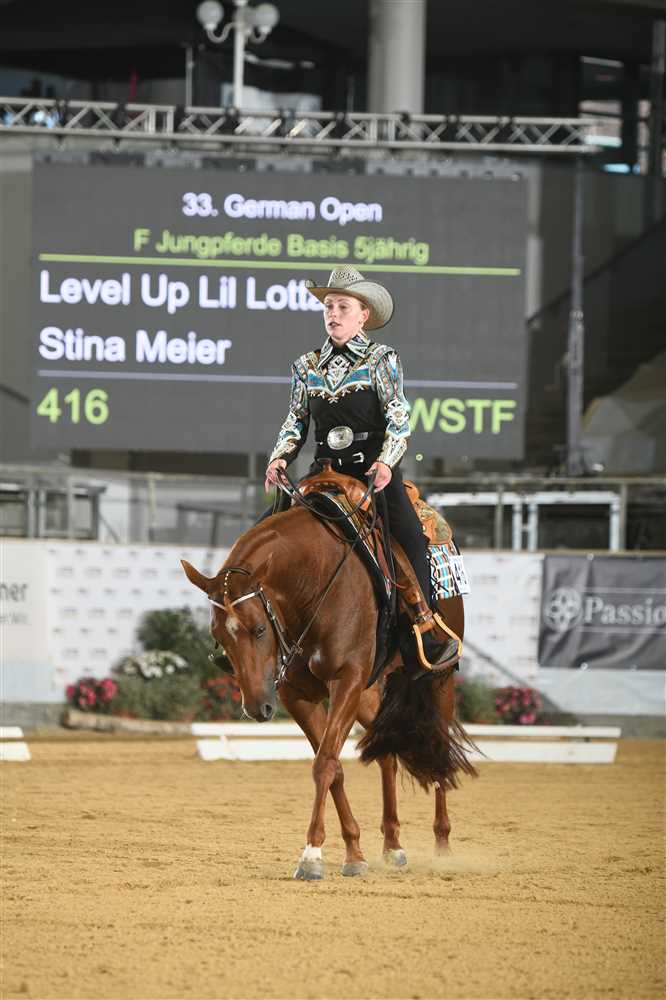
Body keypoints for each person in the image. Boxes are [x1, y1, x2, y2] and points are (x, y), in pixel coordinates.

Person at [264, 265, 458, 667]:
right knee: (266, 532)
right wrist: (279, 456)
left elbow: (398, 419)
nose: (333, 314)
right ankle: (258, 627)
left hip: (373, 472)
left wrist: (386, 463)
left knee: (410, 536)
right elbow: (296, 420)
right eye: (329, 307)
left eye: (343, 307)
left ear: (363, 315)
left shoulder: (382, 359)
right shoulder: (306, 365)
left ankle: (423, 627)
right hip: (323, 474)